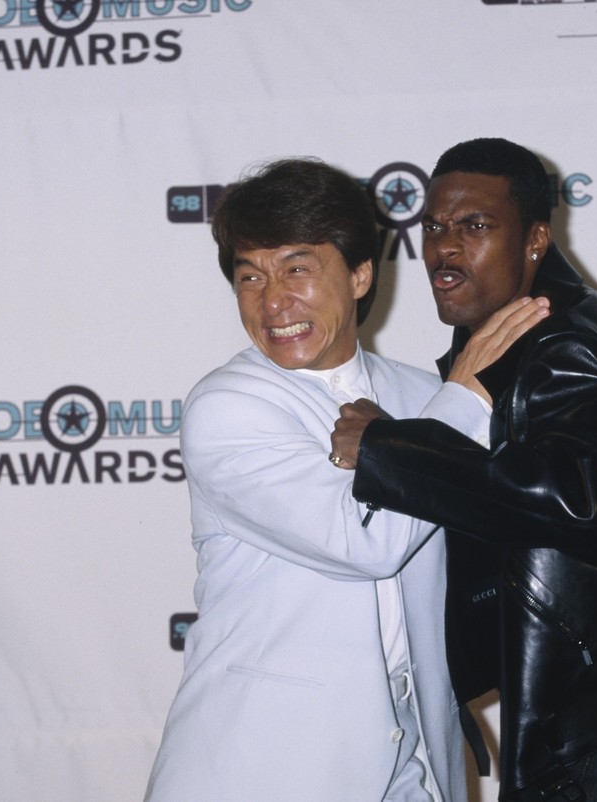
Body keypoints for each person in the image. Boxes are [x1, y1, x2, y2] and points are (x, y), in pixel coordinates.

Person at [142, 157, 554, 802]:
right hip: (265, 767)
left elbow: (550, 486)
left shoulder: (423, 396)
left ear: (361, 274)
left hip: (417, 760)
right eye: (250, 276)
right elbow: (367, 545)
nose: (273, 302)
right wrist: (466, 397)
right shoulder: (227, 407)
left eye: (297, 268)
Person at [331, 137, 597, 801]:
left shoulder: (560, 343)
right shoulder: (509, 338)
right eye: (433, 227)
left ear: (536, 240)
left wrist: (387, 450)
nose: (445, 248)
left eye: (476, 227)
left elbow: (579, 499)